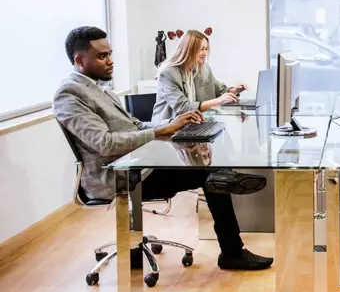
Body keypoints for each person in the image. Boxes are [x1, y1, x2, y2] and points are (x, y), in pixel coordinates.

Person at [53, 26, 272, 271]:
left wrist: (170, 126)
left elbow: (134, 125)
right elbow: (105, 144)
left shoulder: (100, 88)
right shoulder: (69, 94)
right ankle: (232, 248)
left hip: (137, 162)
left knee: (208, 165)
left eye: (110, 54)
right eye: (102, 56)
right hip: (117, 176)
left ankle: (227, 193)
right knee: (206, 170)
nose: (111, 61)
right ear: (79, 60)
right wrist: (159, 131)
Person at [152, 29, 247, 122]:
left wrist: (234, 90)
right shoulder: (168, 73)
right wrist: (217, 101)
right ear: (189, 50)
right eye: (201, 49)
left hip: (193, 124)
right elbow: (183, 107)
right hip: (169, 129)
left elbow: (217, 88)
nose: (205, 53)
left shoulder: (203, 68)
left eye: (206, 49)